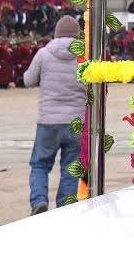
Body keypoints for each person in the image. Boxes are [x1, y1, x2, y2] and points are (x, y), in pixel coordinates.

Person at [21, 16, 85, 213]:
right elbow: (90, 85)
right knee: (70, 166)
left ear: (56, 32)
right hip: (76, 121)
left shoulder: (43, 53)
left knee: (40, 164)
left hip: (48, 121)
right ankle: (64, 206)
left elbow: (28, 80)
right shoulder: (84, 56)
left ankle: (39, 200)